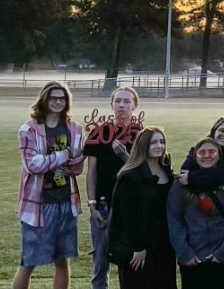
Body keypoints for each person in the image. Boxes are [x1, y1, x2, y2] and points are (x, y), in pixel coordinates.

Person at [14, 81, 85, 289]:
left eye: (62, 98)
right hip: (37, 205)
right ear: (44, 99)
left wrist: (56, 161)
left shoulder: (75, 129)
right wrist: (62, 155)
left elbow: (77, 164)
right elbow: (32, 165)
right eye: (53, 98)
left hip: (66, 201)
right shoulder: (28, 129)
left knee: (63, 260)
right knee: (28, 261)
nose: (57, 102)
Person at [167, 138, 224, 289]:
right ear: (195, 156)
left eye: (212, 151)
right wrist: (185, 253)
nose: (207, 155)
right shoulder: (182, 184)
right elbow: (174, 219)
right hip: (192, 255)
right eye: (202, 152)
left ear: (219, 155)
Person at [83, 86, 142, 289]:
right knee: (100, 261)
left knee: (128, 260)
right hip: (102, 204)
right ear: (111, 104)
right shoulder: (98, 133)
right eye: (118, 101)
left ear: (135, 106)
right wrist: (91, 205)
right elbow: (91, 172)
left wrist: (124, 155)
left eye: (127, 101)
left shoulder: (141, 135)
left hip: (130, 207)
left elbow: (143, 173)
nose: (121, 105)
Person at [108, 126, 176, 289]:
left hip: (164, 245)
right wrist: (138, 248)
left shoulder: (166, 170)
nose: (159, 146)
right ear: (143, 145)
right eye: (153, 143)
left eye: (162, 142)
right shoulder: (130, 176)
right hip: (138, 247)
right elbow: (128, 217)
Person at [176, 116, 224, 201]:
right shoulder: (197, 150)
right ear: (214, 131)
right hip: (195, 204)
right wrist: (221, 186)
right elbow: (184, 172)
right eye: (222, 131)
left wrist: (191, 178)